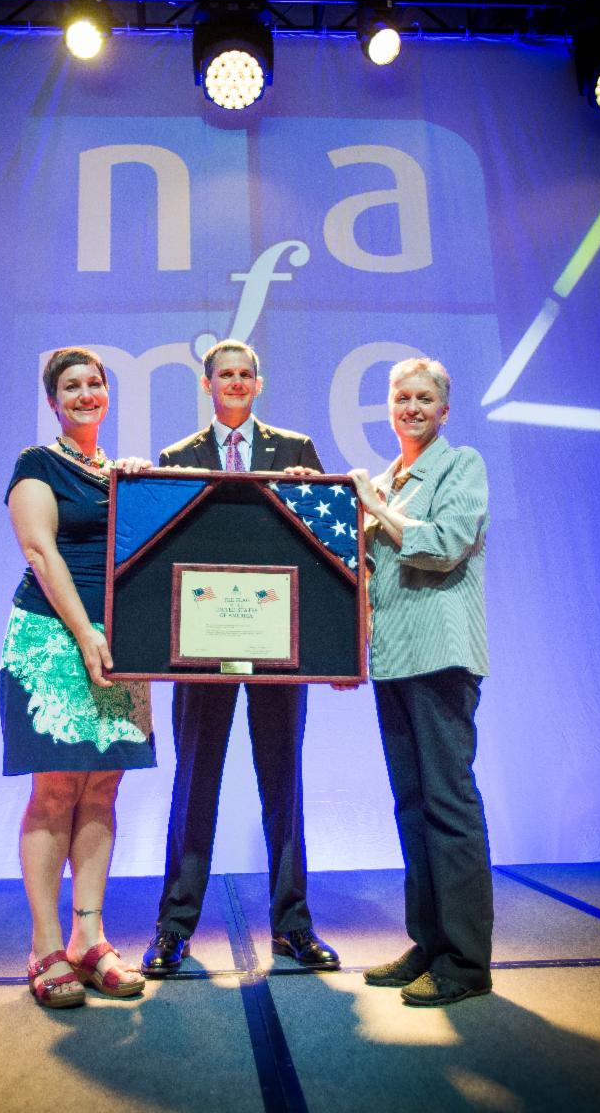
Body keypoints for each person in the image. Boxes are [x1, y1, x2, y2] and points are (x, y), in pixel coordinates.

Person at [142, 338, 340, 975]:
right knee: (194, 782)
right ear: (207, 385)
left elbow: (324, 544)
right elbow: (165, 550)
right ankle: (173, 929)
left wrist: (313, 495)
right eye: (223, 374)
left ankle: (293, 926)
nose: (234, 382)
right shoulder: (177, 457)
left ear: (259, 383)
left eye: (244, 374)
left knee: (284, 781)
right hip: (202, 646)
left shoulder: (297, 450)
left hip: (277, 645)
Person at [1, 346, 154, 1008]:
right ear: (53, 401)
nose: (86, 393)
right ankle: (45, 947)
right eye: (72, 386)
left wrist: (142, 489)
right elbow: (40, 551)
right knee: (56, 790)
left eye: (95, 383)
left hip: (118, 642)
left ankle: (89, 938)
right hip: (53, 638)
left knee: (103, 789)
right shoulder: (37, 464)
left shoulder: (117, 473)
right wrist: (84, 630)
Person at [347, 356, 493, 1008]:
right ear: (389, 407)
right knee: (412, 806)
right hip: (393, 660)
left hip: (440, 657)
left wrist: (377, 509)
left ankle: (464, 962)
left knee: (449, 805)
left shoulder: (462, 466)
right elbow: (363, 571)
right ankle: (430, 943)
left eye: (424, 398)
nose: (412, 407)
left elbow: (445, 544)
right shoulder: (383, 481)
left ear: (444, 410)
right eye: (402, 397)